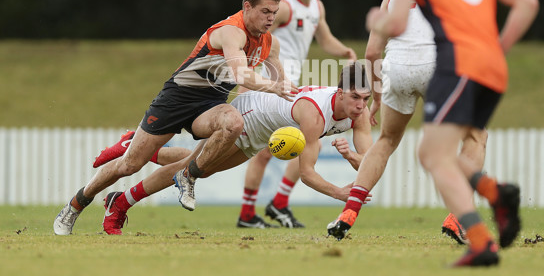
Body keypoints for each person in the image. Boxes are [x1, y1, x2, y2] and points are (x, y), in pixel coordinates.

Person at [328, 0, 539, 267]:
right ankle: (485, 213)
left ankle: (484, 219)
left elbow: (392, 23)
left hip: (432, 65)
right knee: (444, 149)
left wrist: (378, 19)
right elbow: (527, 1)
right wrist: (501, 48)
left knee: (407, 146)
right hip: (476, 64)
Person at [54, 0, 298, 235]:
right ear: (247, 6)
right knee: (129, 165)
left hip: (209, 105)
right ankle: (77, 203)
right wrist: (274, 87)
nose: (271, 18)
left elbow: (284, 84)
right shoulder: (231, 31)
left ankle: (188, 176)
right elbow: (241, 75)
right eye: (265, 12)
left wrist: (302, 106)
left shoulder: (270, 43)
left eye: (274, 12)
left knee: (233, 123)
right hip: (176, 99)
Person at [98, 63, 373, 235]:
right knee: (194, 167)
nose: (361, 106)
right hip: (249, 114)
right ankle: (123, 195)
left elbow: (369, 162)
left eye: (366, 99)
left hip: (262, 134)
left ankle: (134, 154)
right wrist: (338, 192)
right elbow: (307, 174)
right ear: (339, 93)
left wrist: (350, 156)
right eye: (355, 98)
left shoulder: (360, 114)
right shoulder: (314, 114)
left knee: (199, 169)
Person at [327, 0, 488, 245]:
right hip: (436, 64)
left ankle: (348, 213)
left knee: (387, 141)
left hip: (397, 68)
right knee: (476, 136)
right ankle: (458, 216)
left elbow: (371, 53)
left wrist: (377, 95)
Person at [238, 0, 357, 228]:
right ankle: (261, 209)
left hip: (291, 86)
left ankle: (271, 206)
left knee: (292, 143)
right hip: (272, 83)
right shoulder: (285, 7)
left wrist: (346, 51)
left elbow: (324, 39)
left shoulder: (316, 7)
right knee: (266, 149)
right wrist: (247, 81)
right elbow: (256, 35)